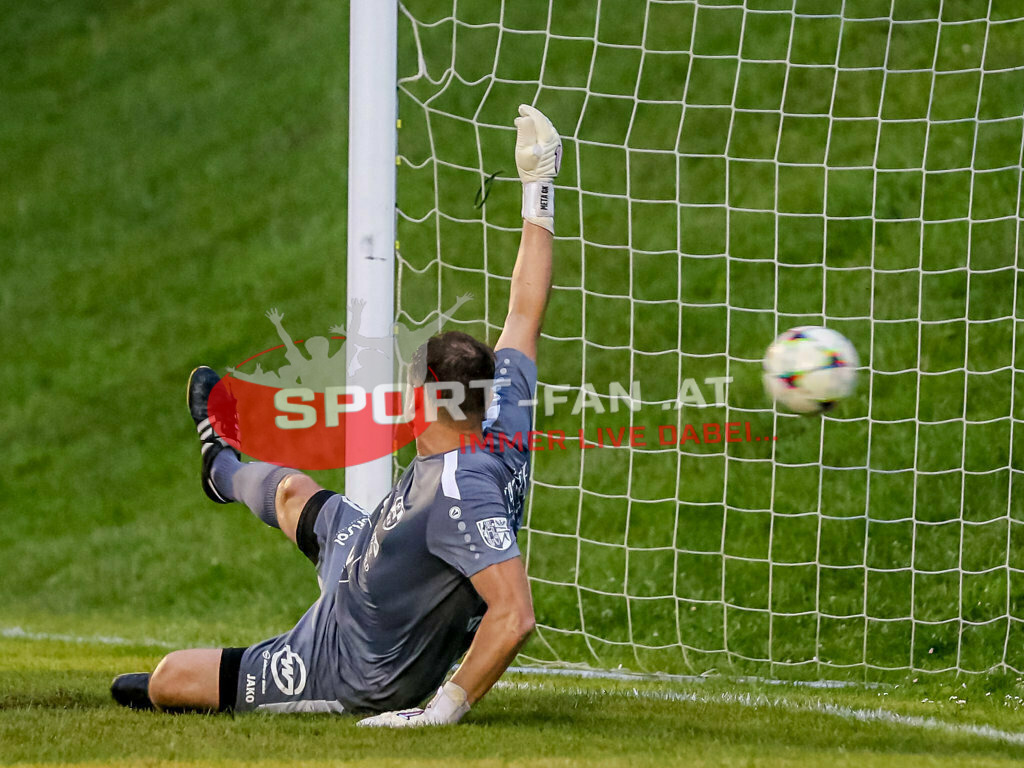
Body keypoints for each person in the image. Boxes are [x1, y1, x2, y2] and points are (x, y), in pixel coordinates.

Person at [110, 104, 561, 727]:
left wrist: (441, 712)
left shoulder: (460, 492)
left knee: (168, 678)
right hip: (373, 554)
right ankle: (220, 465)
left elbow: (514, 616)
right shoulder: (497, 416)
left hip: (346, 661)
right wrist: (540, 183)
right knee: (294, 489)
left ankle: (197, 676)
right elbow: (524, 311)